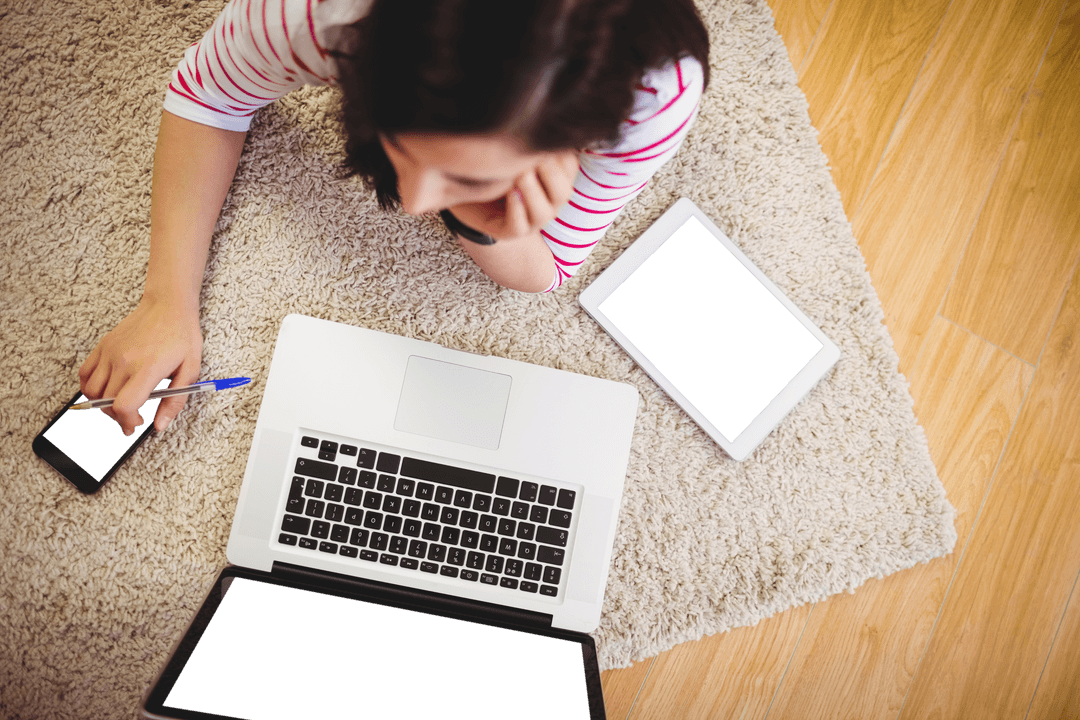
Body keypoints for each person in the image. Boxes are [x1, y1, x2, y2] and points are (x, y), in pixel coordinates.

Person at [79, 0, 710, 436]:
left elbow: (544, 269)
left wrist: (487, 223)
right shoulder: (315, 16)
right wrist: (166, 300)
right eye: (397, 143)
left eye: (465, 179)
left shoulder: (655, 93)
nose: (412, 203)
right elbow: (206, 94)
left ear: (576, 144)